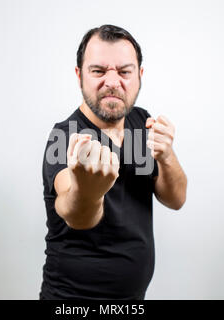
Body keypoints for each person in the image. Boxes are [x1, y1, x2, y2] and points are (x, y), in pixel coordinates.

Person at [40, 24, 187, 300]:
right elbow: (74, 213)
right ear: (79, 75)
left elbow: (176, 199)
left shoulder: (140, 123)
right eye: (98, 71)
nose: (111, 81)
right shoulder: (65, 137)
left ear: (139, 76)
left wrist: (167, 157)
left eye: (124, 71)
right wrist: (88, 191)